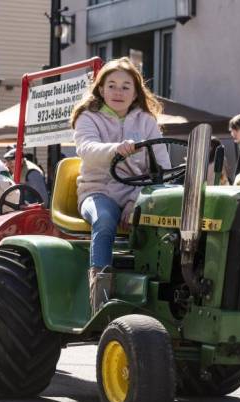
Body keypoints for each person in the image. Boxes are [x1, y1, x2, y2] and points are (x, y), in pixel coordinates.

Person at [71, 56, 170, 315]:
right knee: (104, 220)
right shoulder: (88, 118)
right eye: (112, 85)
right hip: (98, 190)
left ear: (136, 92)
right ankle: (100, 297)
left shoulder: (146, 121)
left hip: (137, 194)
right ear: (101, 89)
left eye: (126, 86)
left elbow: (161, 167)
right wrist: (117, 149)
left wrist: (135, 200)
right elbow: (87, 149)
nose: (118, 91)